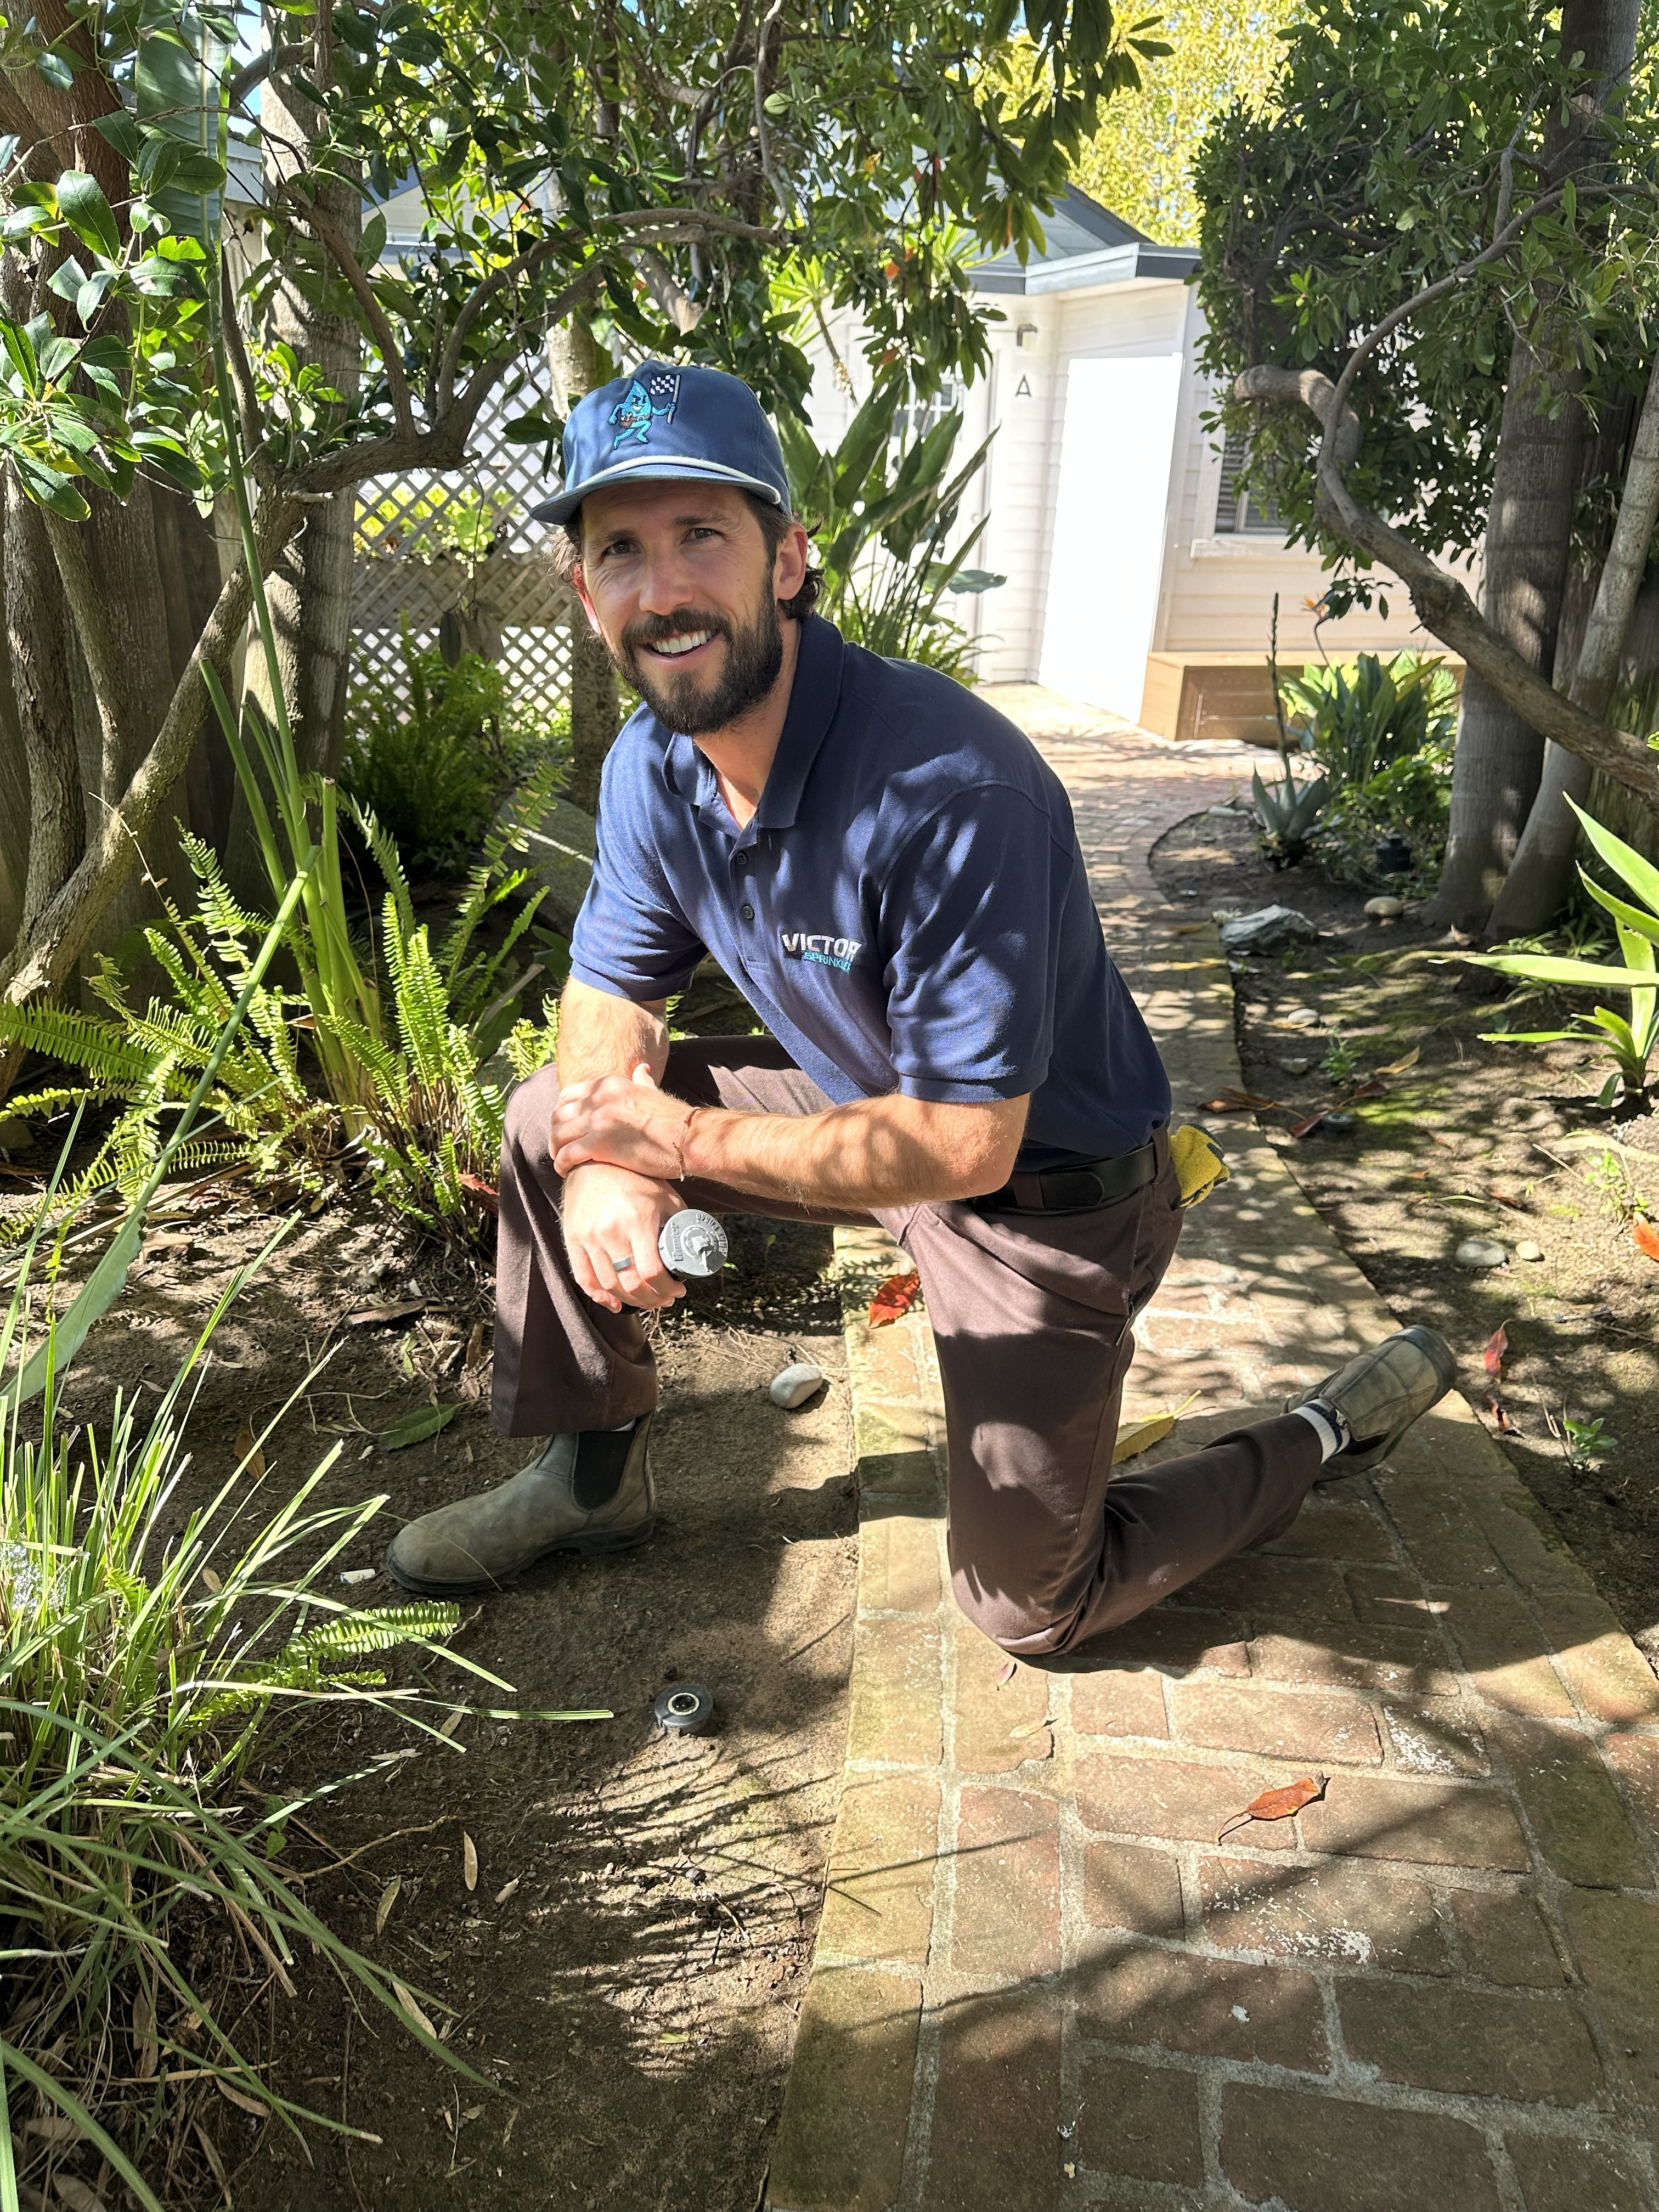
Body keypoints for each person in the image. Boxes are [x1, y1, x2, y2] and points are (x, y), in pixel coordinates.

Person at [386, 360, 1457, 1656]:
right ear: (585, 589)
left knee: (1030, 1609)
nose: (663, 590)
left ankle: (1317, 1436)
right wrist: (608, 1161)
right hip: (865, 1121)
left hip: (1045, 1199)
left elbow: (965, 1148)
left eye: (700, 539)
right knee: (552, 1113)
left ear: (785, 559)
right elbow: (612, 986)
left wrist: (662, 1142)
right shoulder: (651, 770)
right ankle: (592, 1481)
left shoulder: (950, 791)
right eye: (621, 551)